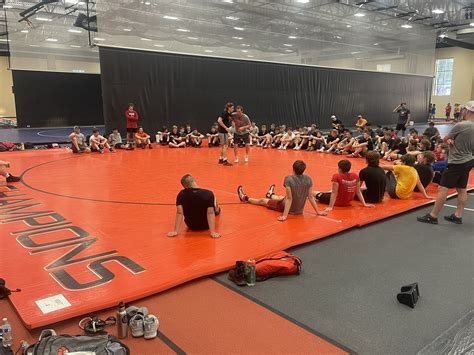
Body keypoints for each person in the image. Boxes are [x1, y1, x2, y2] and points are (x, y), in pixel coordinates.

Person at [418, 101, 474, 225]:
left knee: (443, 189)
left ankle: (433, 216)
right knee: (462, 188)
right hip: (469, 160)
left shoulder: (462, 125)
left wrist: (450, 141)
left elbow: (444, 139)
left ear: (467, 111)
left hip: (457, 161)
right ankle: (458, 215)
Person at [237, 160, 326, 221]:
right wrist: (318, 212)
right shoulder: (308, 179)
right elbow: (310, 197)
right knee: (281, 197)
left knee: (262, 201)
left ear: (293, 168)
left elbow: (289, 199)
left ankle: (245, 198)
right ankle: (270, 195)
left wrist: (284, 216)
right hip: (299, 210)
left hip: (287, 208)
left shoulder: (288, 179)